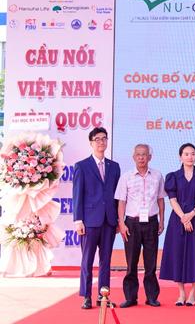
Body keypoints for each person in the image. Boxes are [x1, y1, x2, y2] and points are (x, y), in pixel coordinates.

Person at [72, 127, 121, 310]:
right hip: (89, 221)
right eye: (98, 139)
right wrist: (78, 220)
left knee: (106, 261)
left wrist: (118, 219)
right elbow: (77, 194)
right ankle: (86, 296)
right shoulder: (82, 166)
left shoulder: (114, 166)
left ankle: (103, 296)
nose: (101, 142)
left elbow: (117, 196)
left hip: (109, 221)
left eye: (104, 138)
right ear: (91, 143)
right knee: (87, 260)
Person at [159, 143, 195, 306]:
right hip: (178, 220)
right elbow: (172, 200)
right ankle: (181, 293)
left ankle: (193, 294)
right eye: (186, 154)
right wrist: (183, 217)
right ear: (180, 157)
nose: (190, 157)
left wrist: (191, 214)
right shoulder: (173, 176)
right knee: (178, 255)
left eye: (193, 154)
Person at [115, 144, 166, 308]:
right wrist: (121, 223)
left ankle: (151, 297)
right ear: (134, 157)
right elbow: (121, 202)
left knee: (151, 262)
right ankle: (130, 297)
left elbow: (160, 199)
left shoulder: (157, 176)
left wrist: (162, 220)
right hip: (132, 223)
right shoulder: (126, 177)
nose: (141, 158)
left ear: (150, 157)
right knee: (131, 263)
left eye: (144, 154)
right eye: (138, 155)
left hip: (151, 222)